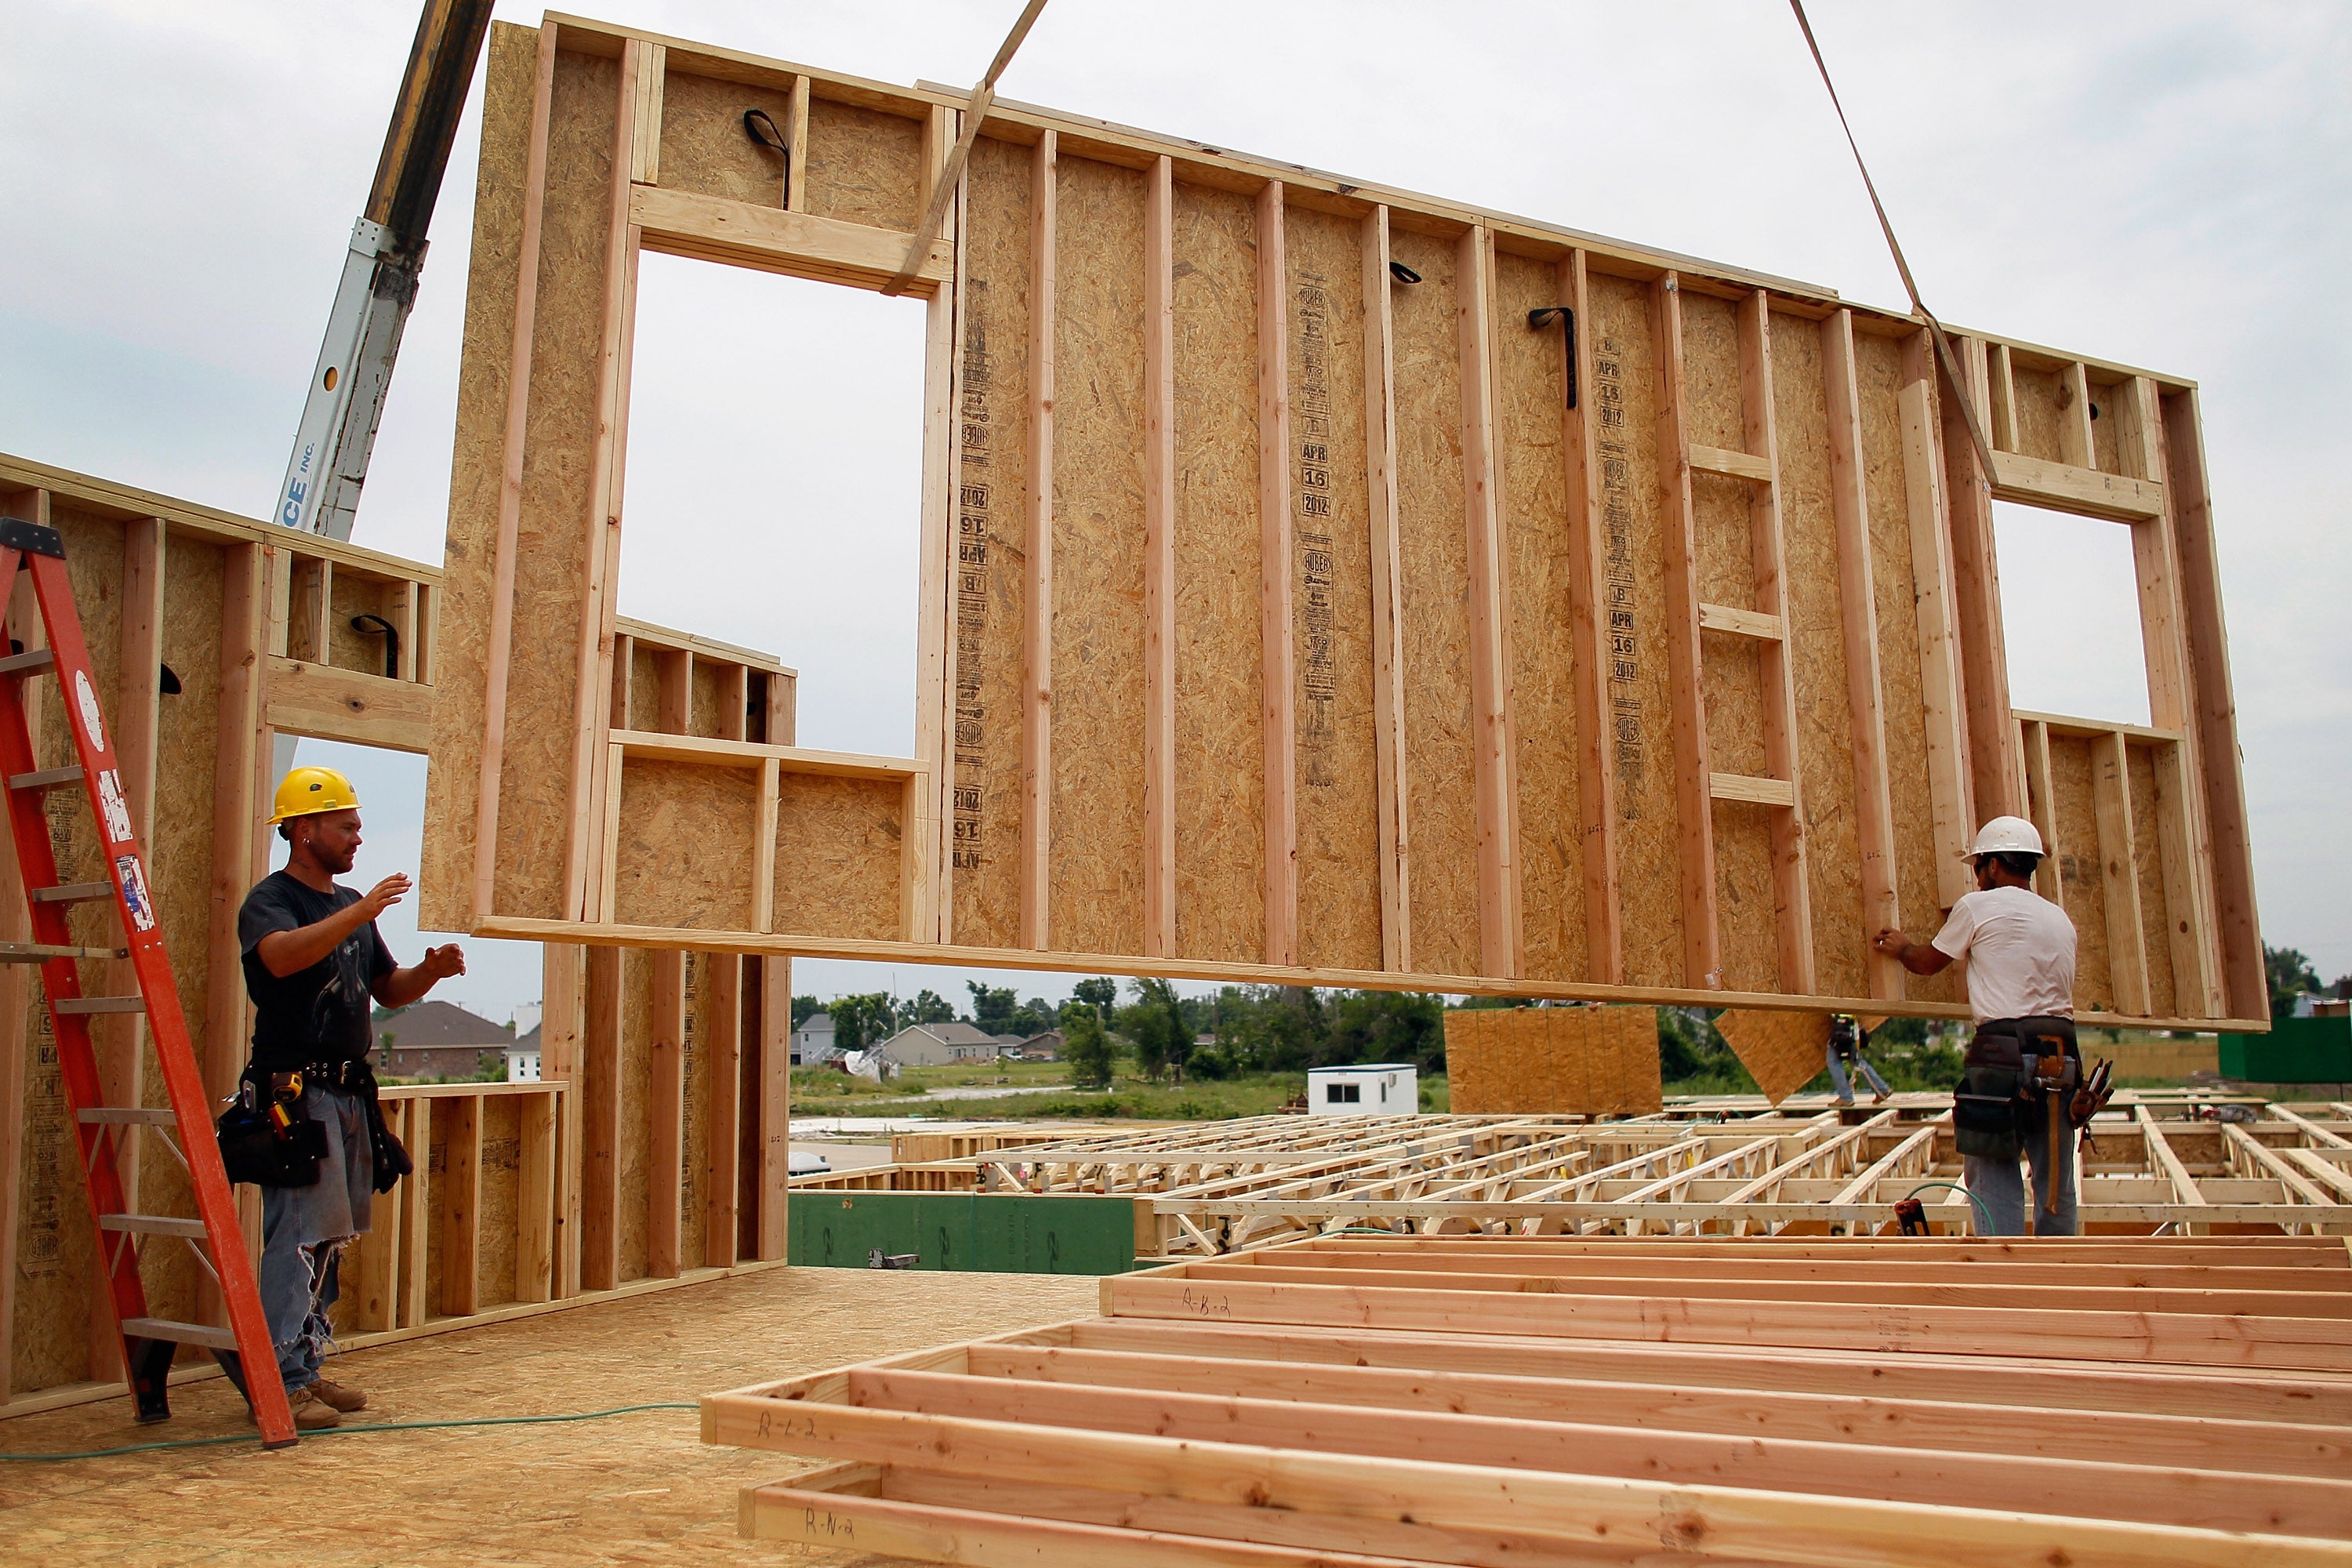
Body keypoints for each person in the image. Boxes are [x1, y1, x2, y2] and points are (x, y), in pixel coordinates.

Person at [238, 766, 464, 1429]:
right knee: (297, 1235)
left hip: (342, 1093)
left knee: (330, 1235)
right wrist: (360, 911)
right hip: (293, 1094)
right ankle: (277, 1376)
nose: (358, 837)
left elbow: (387, 989)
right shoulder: (272, 900)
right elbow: (278, 958)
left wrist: (430, 970)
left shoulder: (349, 908)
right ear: (304, 830)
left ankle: (305, 1365)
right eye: (347, 825)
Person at [1871, 815, 2080, 1236]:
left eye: (1978, 867)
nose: (1977, 877)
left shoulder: (1977, 906)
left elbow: (1928, 963)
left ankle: (2003, 1274)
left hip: (2002, 1057)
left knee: (1993, 1167)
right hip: (2061, 1057)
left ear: (1994, 865)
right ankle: (2061, 1268)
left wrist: (1901, 947)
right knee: (2055, 1176)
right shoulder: (2059, 918)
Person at [1825, 1014, 1889, 1106]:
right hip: (1848, 1027)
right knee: (1855, 1061)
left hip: (1844, 1028)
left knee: (1835, 1062)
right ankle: (1882, 1089)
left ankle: (1846, 1097)